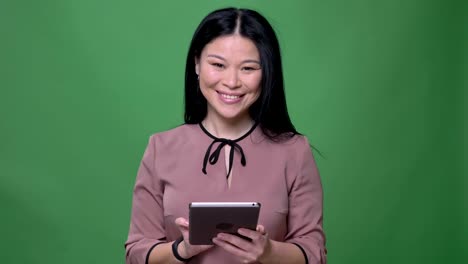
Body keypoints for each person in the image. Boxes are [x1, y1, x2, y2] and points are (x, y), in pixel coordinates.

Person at [125, 7, 326, 264]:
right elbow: (136, 253)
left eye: (248, 68)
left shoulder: (295, 150)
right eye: (218, 65)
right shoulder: (160, 148)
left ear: (267, 72)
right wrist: (181, 250)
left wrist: (268, 252)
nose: (231, 82)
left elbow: (314, 253)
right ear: (197, 63)